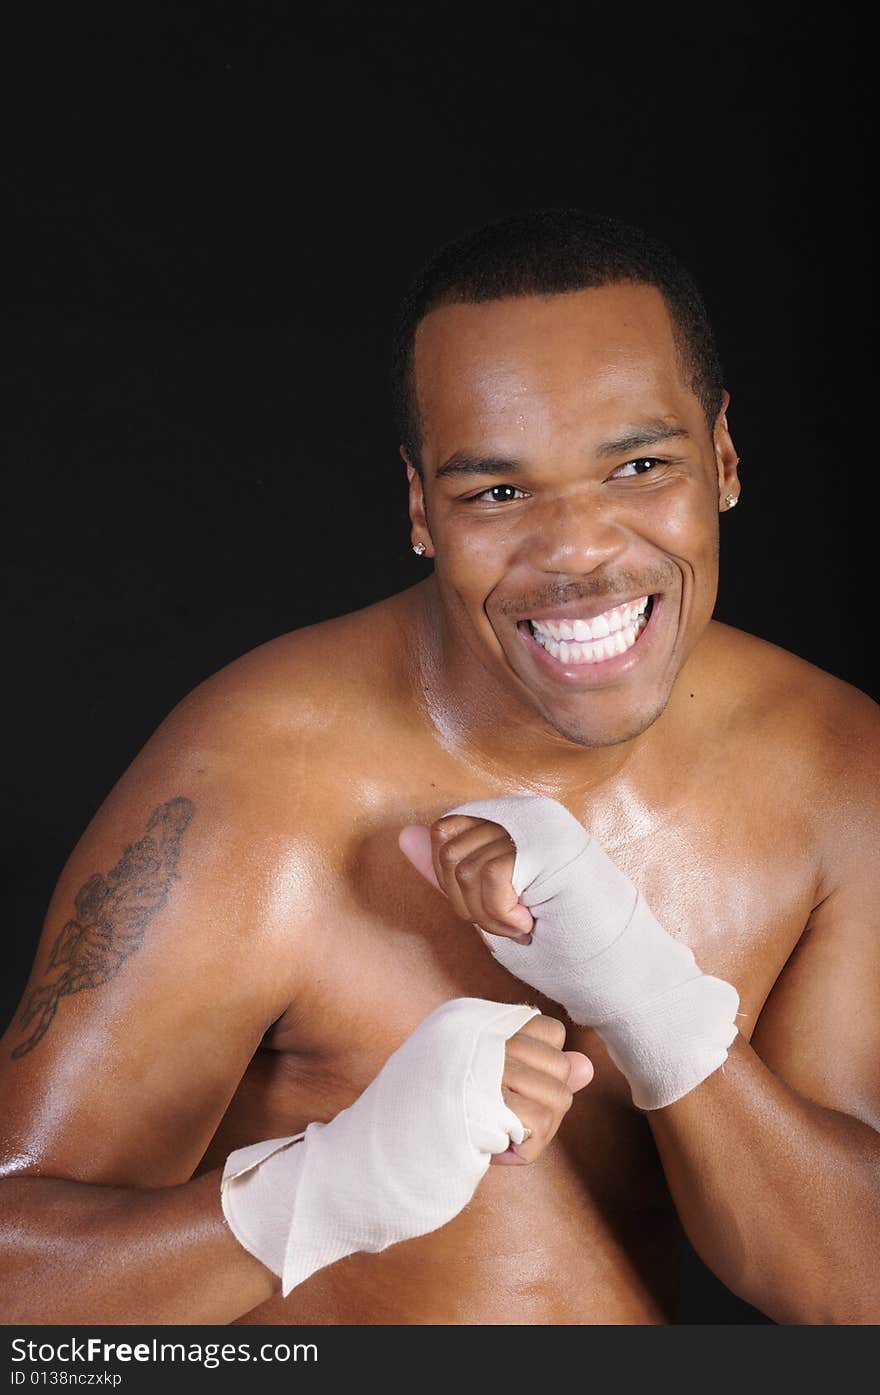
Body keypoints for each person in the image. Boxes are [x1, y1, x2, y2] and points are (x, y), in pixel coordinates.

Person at [1, 209, 877, 1326]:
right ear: (422, 510)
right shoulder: (261, 786)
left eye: (639, 466)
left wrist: (651, 1005)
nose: (577, 550)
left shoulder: (835, 765)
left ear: (722, 459)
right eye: (497, 494)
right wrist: (319, 1193)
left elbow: (854, 1292)